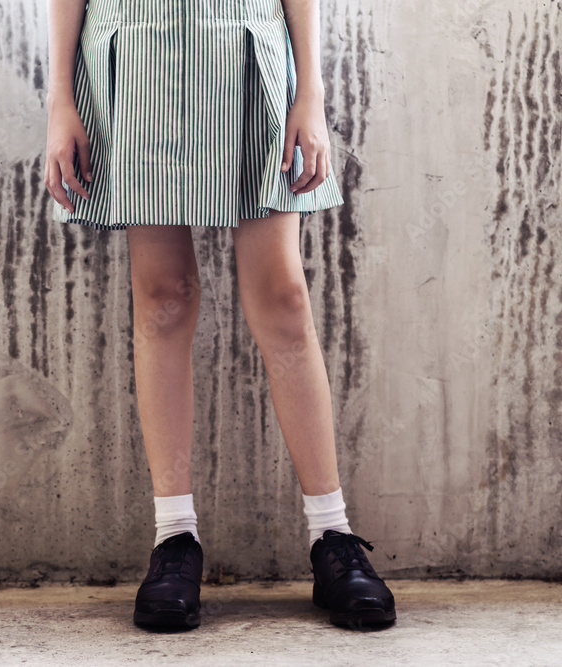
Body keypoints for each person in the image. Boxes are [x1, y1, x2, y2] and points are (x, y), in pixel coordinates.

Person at [43, 0, 396, 631]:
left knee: (284, 297)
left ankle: (332, 536)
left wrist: (309, 92)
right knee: (163, 297)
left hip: (249, 47)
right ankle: (175, 538)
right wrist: (60, 99)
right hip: (134, 55)